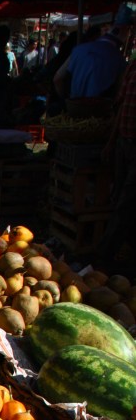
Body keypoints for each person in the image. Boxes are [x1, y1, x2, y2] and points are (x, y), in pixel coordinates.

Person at [99, 58, 136, 269]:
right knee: (119, 197)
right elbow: (121, 107)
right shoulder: (132, 66)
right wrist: (112, 142)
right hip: (124, 141)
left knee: (126, 201)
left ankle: (106, 255)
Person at [53, 26, 127, 100]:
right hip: (101, 107)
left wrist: (66, 101)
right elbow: (120, 88)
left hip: (74, 105)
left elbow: (57, 79)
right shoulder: (119, 58)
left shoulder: (78, 50)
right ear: (119, 44)